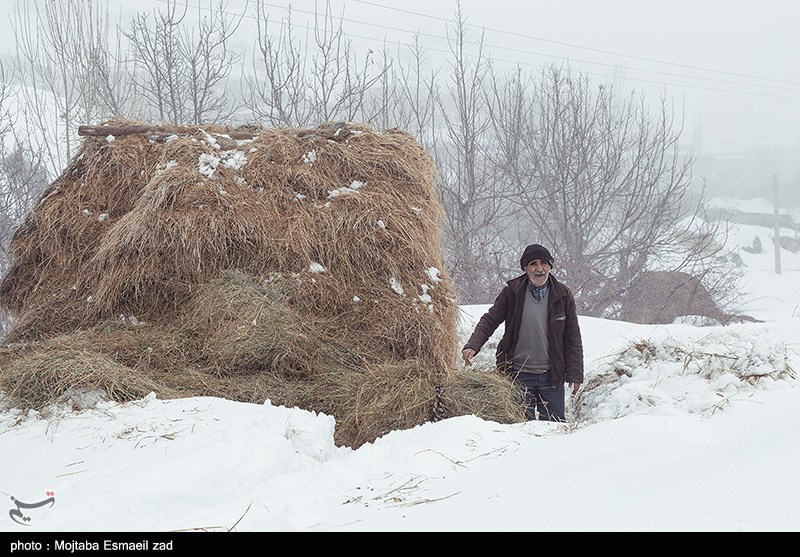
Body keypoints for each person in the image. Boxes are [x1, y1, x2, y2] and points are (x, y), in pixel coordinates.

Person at [461, 244, 584, 422]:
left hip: (552, 377)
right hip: (518, 376)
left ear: (550, 266)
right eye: (533, 264)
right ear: (525, 268)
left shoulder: (562, 295)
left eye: (543, 263)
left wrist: (575, 373)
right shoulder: (512, 292)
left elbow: (572, 336)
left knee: (554, 431)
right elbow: (490, 319)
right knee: (518, 430)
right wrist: (473, 344)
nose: (539, 268)